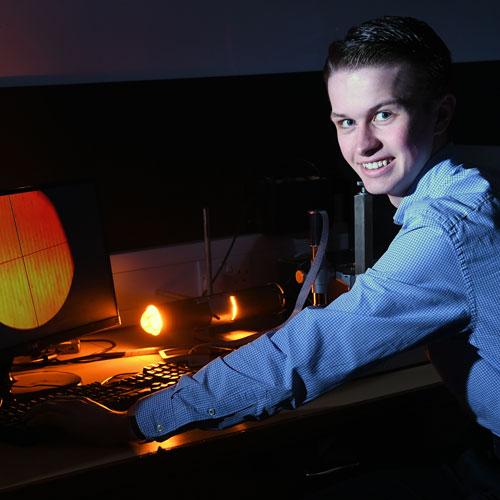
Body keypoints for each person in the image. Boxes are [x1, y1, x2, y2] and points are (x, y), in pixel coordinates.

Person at [26, 16, 500, 498]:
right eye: (346, 122)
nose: (363, 145)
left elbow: (309, 350)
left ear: (440, 115)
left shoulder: (448, 228)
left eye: (385, 115)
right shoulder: (480, 180)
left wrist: (133, 421)